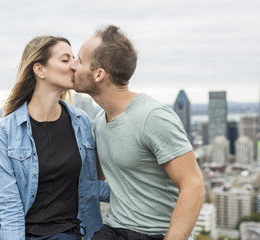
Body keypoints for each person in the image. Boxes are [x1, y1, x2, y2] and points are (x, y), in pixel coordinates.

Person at [71, 25, 205, 240]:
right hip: (115, 228)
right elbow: (94, 177)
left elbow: (194, 185)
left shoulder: (152, 117)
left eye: (79, 60)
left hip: (155, 234)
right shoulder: (99, 121)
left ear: (98, 74)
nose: (72, 65)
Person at [0, 35, 110, 240]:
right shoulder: (4, 131)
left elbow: (91, 185)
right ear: (40, 70)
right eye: (65, 60)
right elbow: (8, 207)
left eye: (74, 59)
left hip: (67, 234)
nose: (75, 66)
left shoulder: (81, 122)